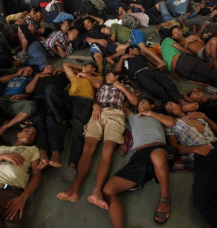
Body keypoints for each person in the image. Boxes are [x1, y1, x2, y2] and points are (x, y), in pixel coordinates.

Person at [57, 73, 138, 209]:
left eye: (110, 75)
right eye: (106, 76)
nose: (107, 77)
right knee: (87, 148)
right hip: (98, 113)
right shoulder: (101, 86)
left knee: (108, 150)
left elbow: (134, 101)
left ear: (117, 76)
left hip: (116, 114)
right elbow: (95, 99)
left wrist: (119, 86)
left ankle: (97, 191)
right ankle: (74, 188)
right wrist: (95, 105)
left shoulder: (125, 86)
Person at [102, 97, 173, 225]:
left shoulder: (159, 115)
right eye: (139, 103)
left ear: (152, 105)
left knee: (156, 156)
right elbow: (123, 106)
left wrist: (151, 114)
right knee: (108, 190)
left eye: (144, 102)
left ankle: (165, 197)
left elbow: (171, 123)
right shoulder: (133, 117)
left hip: (159, 148)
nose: (140, 104)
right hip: (140, 155)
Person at [57, 62, 103, 182]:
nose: (84, 67)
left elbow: (98, 85)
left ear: (93, 68)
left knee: (78, 130)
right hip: (71, 99)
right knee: (51, 90)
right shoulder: (75, 76)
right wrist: (82, 70)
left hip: (84, 102)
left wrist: (88, 74)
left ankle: (72, 164)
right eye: (83, 65)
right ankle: (61, 118)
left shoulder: (97, 77)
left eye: (87, 65)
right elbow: (66, 65)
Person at [115, 46, 195, 109]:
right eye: (137, 50)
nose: (139, 52)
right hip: (139, 74)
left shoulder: (141, 56)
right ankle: (172, 105)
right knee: (156, 89)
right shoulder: (124, 60)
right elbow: (117, 71)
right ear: (131, 49)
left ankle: (182, 102)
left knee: (168, 83)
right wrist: (122, 59)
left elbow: (153, 65)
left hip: (151, 70)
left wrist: (152, 63)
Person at [25, 65, 69, 169]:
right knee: (38, 122)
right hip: (39, 101)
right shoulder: (37, 78)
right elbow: (28, 91)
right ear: (42, 70)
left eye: (52, 66)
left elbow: (79, 70)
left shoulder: (60, 75)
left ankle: (55, 152)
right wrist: (37, 77)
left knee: (52, 120)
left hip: (54, 100)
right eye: (47, 66)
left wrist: (62, 69)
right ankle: (43, 152)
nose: (49, 67)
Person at [0, 65, 37, 135]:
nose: (28, 71)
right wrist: (17, 74)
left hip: (17, 101)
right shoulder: (13, 76)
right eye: (26, 69)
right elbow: (1, 80)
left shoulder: (30, 79)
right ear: (21, 69)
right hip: (3, 99)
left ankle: (5, 127)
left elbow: (29, 92)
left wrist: (22, 96)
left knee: (32, 104)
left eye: (30, 71)